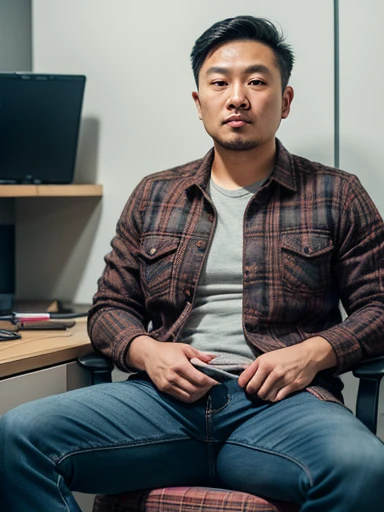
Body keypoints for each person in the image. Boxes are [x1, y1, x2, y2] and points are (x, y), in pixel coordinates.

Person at [1, 15, 384, 512]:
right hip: (162, 408)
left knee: (363, 467)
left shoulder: (337, 193)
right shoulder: (156, 194)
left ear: (285, 101)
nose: (237, 97)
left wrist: (313, 353)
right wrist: (146, 352)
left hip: (282, 410)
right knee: (17, 436)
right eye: (219, 82)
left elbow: (378, 307)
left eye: (257, 81)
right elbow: (109, 309)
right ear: (199, 101)